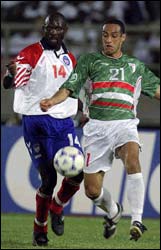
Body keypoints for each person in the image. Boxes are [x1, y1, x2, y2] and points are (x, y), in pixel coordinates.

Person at [39, 19, 160, 241]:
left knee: (132, 158)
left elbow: (158, 90)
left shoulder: (136, 67)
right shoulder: (89, 61)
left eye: (114, 36)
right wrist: (52, 101)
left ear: (123, 38)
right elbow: (69, 87)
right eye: (105, 35)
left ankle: (137, 220)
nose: (109, 40)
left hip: (125, 125)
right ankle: (114, 211)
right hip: (96, 129)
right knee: (92, 191)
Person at [3, 12, 84, 246]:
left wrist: (84, 110)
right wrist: (9, 75)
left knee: (77, 173)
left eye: (58, 28)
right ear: (44, 29)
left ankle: (57, 207)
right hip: (36, 121)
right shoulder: (30, 53)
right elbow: (10, 81)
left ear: (65, 30)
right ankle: (40, 229)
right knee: (48, 178)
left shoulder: (70, 58)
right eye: (49, 28)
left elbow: (73, 89)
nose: (53, 32)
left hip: (64, 122)